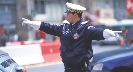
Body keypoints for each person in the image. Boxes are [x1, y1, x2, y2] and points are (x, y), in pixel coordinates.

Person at [22, 2, 122, 72]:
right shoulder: (65, 27)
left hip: (81, 69)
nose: (66, 15)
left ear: (75, 15)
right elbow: (49, 27)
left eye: (68, 13)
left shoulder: (85, 27)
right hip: (68, 68)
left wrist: (108, 32)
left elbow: (96, 32)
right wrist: (32, 23)